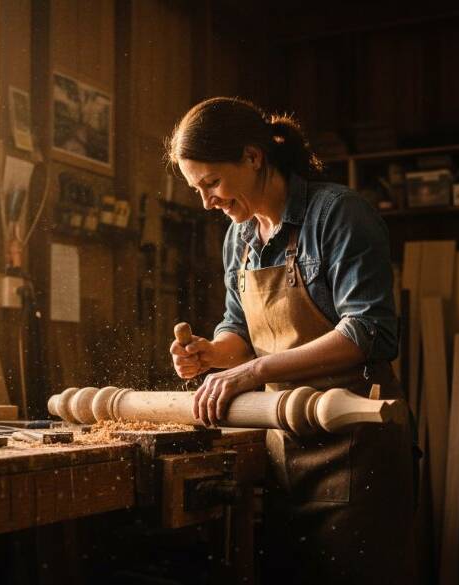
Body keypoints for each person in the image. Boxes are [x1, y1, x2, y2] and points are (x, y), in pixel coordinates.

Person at [165, 97, 416, 584]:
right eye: (197, 189)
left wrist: (253, 372)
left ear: (253, 157)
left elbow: (369, 332)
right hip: (285, 446)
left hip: (355, 442)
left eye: (212, 183)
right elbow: (237, 327)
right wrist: (212, 354)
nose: (206, 202)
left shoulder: (338, 215)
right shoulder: (238, 238)